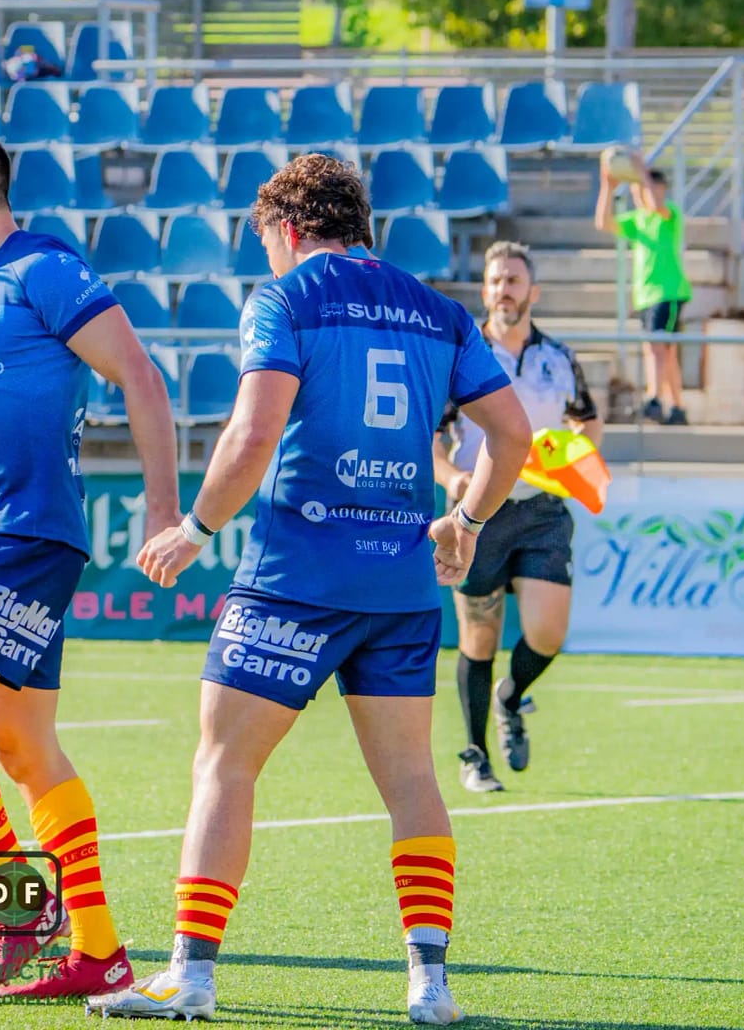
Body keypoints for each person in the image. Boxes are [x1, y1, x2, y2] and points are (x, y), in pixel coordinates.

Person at [88, 154, 531, 1025]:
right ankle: (430, 985)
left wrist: (195, 528)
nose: (267, 263)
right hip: (400, 582)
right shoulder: (438, 310)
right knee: (410, 779)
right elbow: (511, 436)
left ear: (286, 231)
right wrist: (467, 524)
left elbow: (253, 433)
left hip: (295, 581)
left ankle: (191, 974)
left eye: (266, 247)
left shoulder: (285, 299)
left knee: (225, 764)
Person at [0, 129, 179, 999]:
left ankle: (23, 911)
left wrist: (163, 509)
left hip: (25, 538)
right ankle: (98, 954)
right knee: (23, 750)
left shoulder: (41, 268)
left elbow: (140, 376)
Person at [432, 241, 603, 793]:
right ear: (484, 291)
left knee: (548, 634)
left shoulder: (558, 355)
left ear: (533, 291)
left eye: (514, 279)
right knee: (478, 640)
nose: (504, 288)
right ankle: (475, 755)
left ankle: (511, 696)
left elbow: (588, 420)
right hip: (476, 515)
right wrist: (451, 478)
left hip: (543, 512)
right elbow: (431, 436)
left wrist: (578, 463)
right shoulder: (462, 353)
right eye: (496, 280)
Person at [595, 153, 691, 425]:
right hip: (646, 295)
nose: (640, 193)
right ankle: (677, 407)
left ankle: (654, 398)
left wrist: (642, 173)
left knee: (658, 347)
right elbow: (604, 222)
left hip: (668, 292)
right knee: (665, 351)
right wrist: (607, 186)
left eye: (645, 188)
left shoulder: (669, 215)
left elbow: (657, 204)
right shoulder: (638, 220)